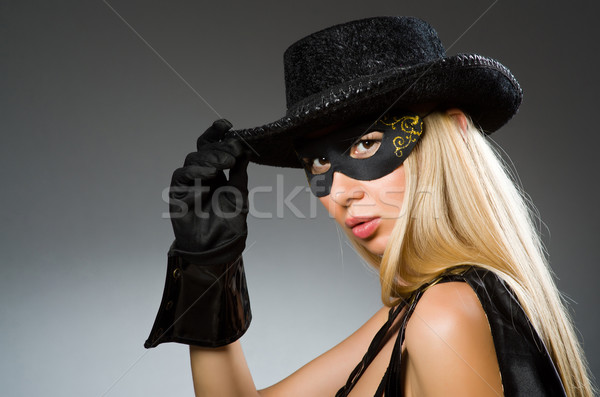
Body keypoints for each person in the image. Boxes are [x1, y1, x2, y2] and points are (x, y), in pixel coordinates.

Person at [144, 16, 594, 396]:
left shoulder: (445, 315)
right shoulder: (419, 312)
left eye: (365, 144)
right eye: (318, 161)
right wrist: (209, 269)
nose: (340, 192)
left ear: (454, 133)